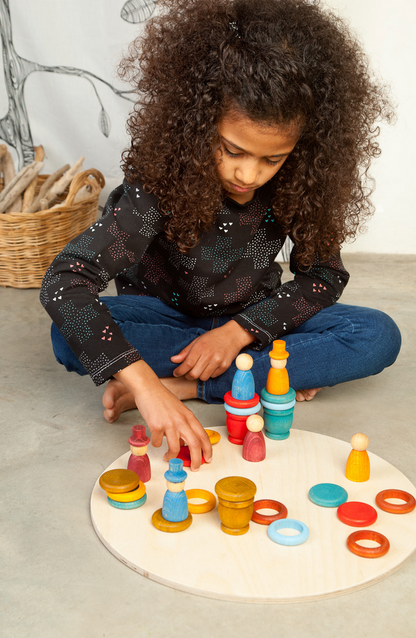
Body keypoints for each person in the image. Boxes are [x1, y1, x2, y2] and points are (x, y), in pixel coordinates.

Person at [40, 0, 401, 471]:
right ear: (199, 121)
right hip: (166, 323)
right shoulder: (159, 182)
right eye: (233, 150)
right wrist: (148, 394)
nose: (248, 174)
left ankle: (194, 386)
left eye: (272, 160)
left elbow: (324, 278)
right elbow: (65, 282)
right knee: (67, 336)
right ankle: (264, 376)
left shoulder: (300, 181)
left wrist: (236, 334)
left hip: (253, 323)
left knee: (376, 335)